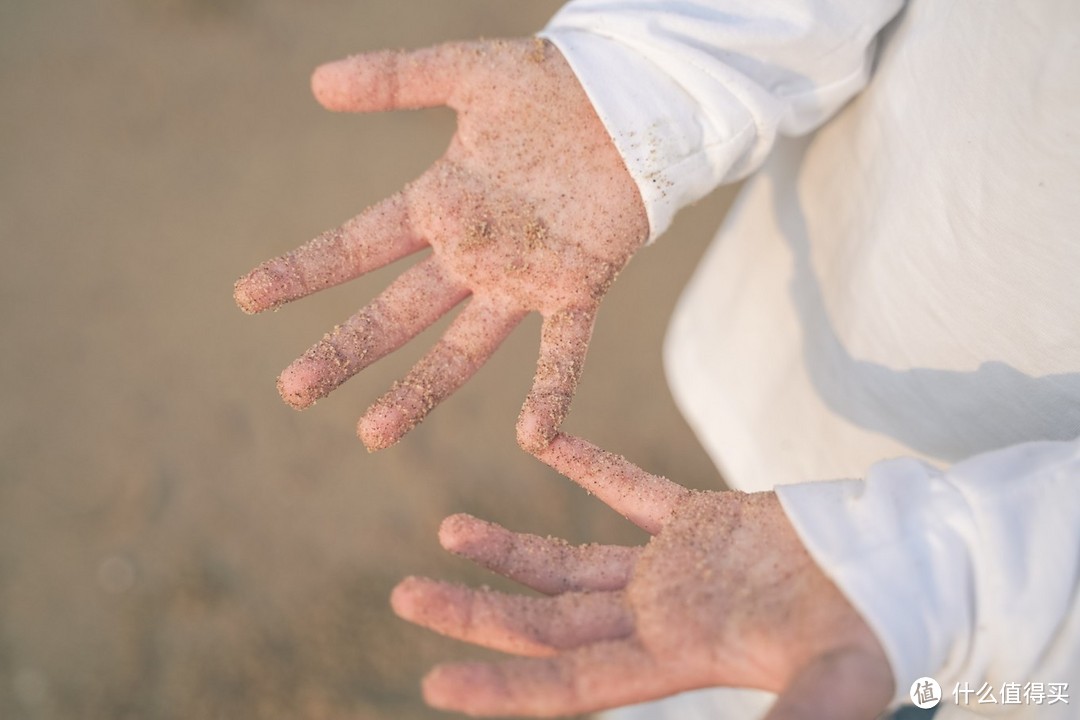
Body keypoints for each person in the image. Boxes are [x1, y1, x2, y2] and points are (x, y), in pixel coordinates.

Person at [234, 1, 1080, 717]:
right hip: (833, 356)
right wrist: (641, 80)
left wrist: (967, 581)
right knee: (704, 629)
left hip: (1021, 643)